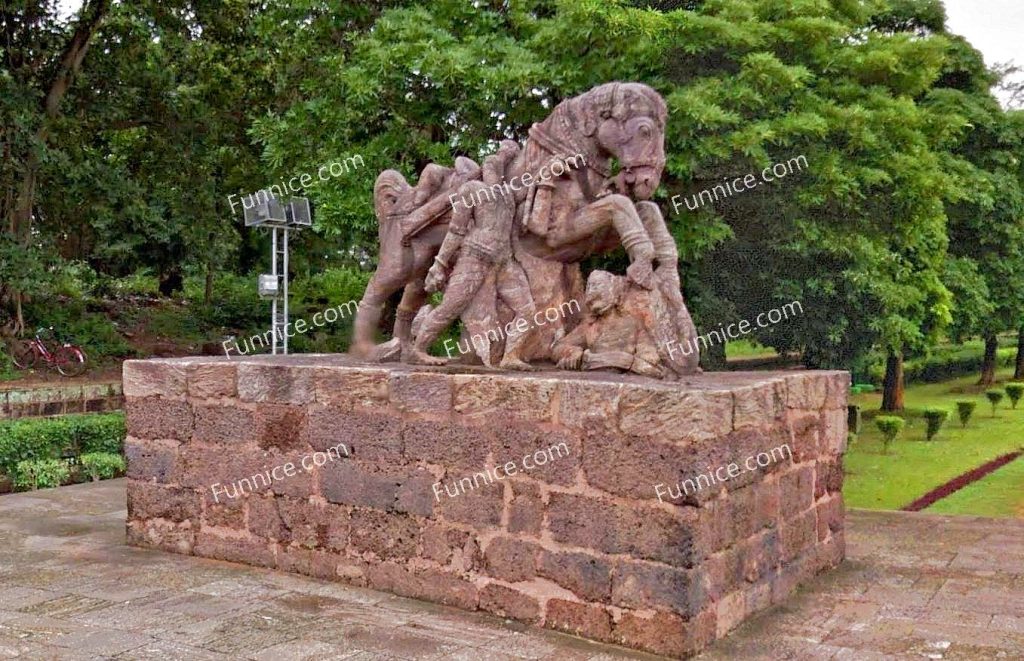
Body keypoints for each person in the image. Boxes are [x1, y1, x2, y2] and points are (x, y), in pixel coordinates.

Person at [406, 140, 537, 369]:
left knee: (527, 310)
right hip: (474, 258)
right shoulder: (471, 190)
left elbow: (531, 187)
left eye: (501, 164)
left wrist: (547, 172)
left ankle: (510, 356)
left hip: (504, 261)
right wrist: (439, 263)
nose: (495, 167)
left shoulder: (507, 195)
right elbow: (456, 231)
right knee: (451, 306)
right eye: (491, 164)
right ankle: (418, 349)